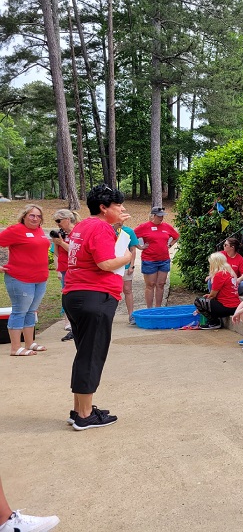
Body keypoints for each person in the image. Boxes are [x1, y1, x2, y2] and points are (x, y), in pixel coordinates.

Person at [63, 184, 133, 430]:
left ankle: (79, 408)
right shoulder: (101, 227)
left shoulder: (83, 225)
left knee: (85, 353)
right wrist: (128, 257)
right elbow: (105, 263)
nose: (122, 209)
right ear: (104, 208)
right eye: (118, 206)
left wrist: (118, 227)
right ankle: (84, 415)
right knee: (91, 355)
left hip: (76, 294)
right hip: (95, 295)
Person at [0, 204, 50, 356]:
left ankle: (29, 343)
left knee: (31, 311)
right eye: (32, 215)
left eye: (38, 216)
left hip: (40, 278)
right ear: (24, 216)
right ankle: (15, 348)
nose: (35, 218)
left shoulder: (40, 231)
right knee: (19, 311)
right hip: (20, 279)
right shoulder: (15, 230)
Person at [134, 207, 179, 309]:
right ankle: (149, 308)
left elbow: (176, 236)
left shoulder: (166, 227)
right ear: (153, 216)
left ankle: (158, 308)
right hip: (149, 260)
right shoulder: (144, 227)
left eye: (162, 216)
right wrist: (140, 247)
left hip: (164, 260)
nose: (161, 218)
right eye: (159, 216)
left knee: (161, 284)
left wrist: (170, 245)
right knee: (150, 284)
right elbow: (132, 236)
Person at [52, 208, 80, 338]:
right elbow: (57, 254)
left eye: (59, 221)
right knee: (66, 294)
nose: (57, 224)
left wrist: (62, 243)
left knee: (77, 294)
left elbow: (76, 251)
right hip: (64, 269)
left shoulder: (77, 232)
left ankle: (78, 320)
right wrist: (57, 243)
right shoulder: (60, 234)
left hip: (76, 268)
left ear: (67, 220)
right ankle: (67, 321)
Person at [194, 252, 240, 330]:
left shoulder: (219, 275)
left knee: (198, 301)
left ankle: (214, 322)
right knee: (206, 300)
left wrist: (201, 307)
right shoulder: (229, 272)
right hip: (235, 305)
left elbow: (213, 295)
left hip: (226, 306)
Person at [114, 220, 140, 326]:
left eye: (122, 220)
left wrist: (131, 265)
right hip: (113, 266)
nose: (120, 222)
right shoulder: (107, 230)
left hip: (125, 266)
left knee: (128, 290)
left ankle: (131, 315)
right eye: (118, 220)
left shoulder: (128, 231)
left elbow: (133, 249)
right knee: (113, 291)